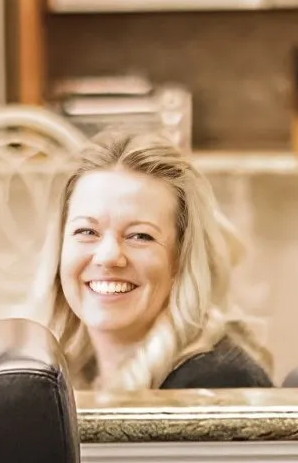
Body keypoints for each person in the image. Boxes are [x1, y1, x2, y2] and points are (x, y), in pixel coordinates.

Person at [31, 131, 273, 391]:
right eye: (87, 232)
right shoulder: (64, 374)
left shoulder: (217, 382)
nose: (108, 256)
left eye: (140, 236)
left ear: (181, 259)